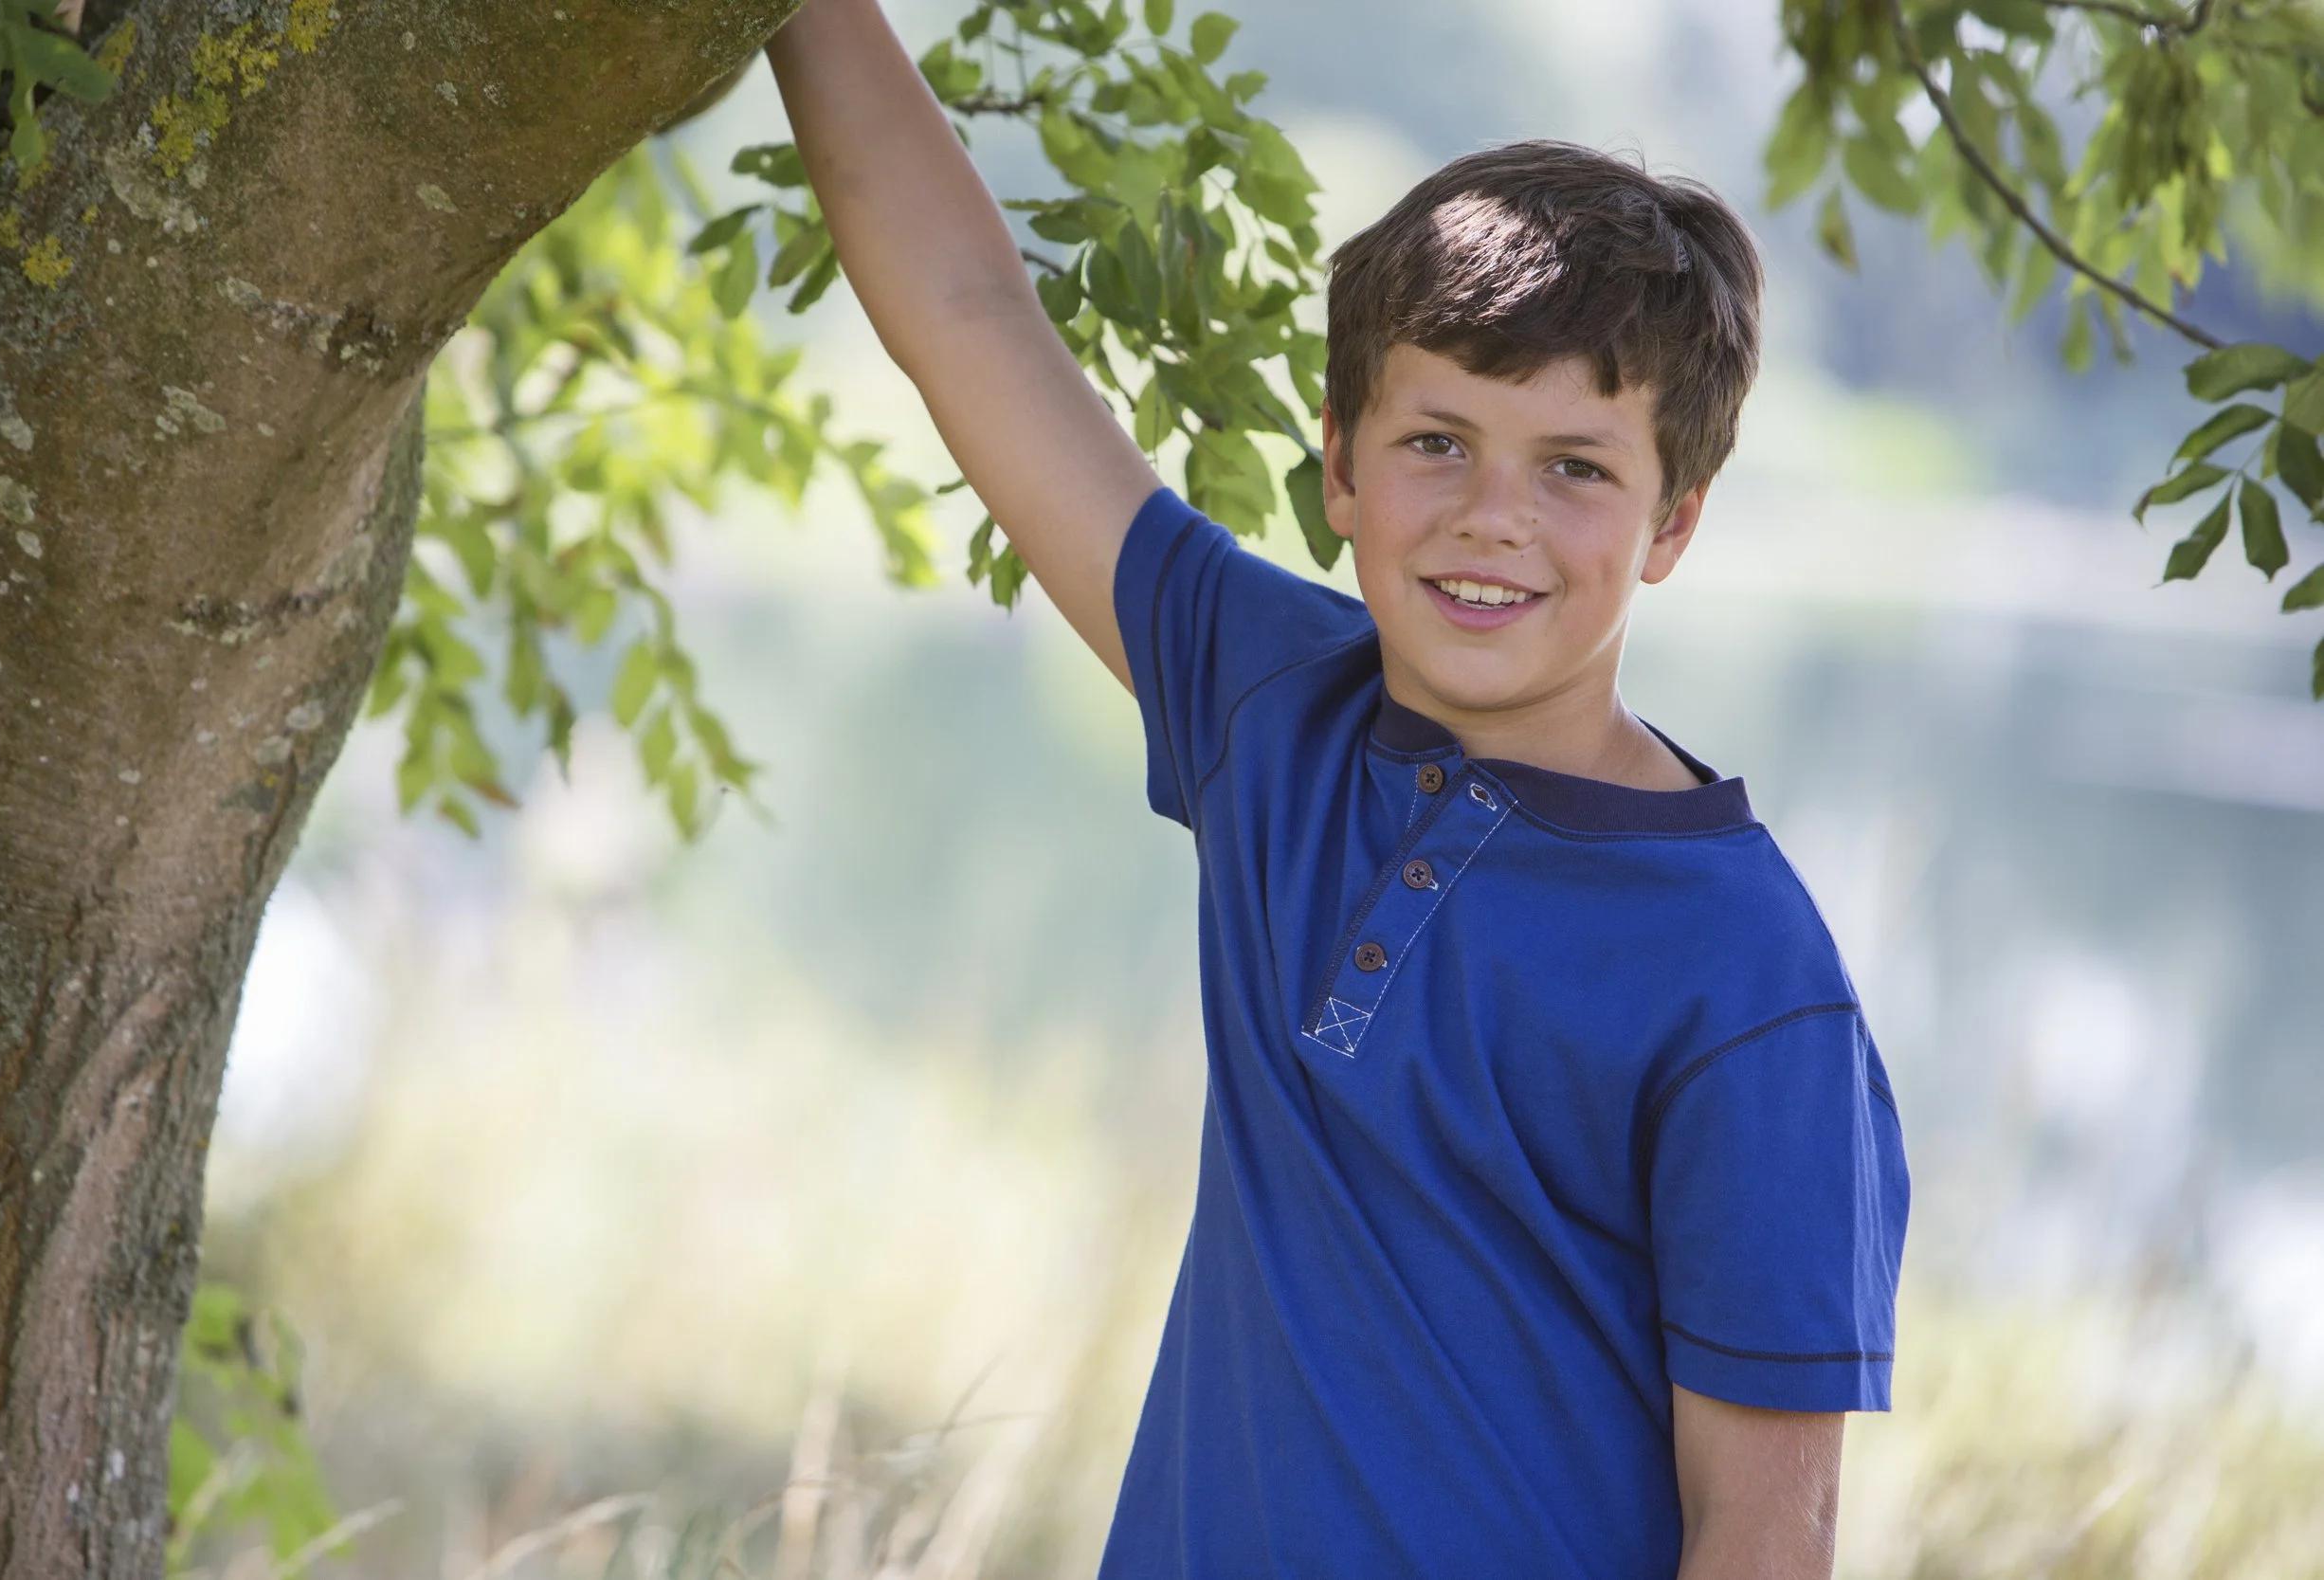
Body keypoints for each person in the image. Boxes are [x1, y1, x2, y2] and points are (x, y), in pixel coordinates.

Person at [768, 4, 1909, 1574]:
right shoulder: (1266, 702)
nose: (1494, 518)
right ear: (1340, 471)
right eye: (1438, 440)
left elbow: (1765, 1528)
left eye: (1576, 466)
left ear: (1674, 521)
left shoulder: (1749, 981)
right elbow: (966, 309)